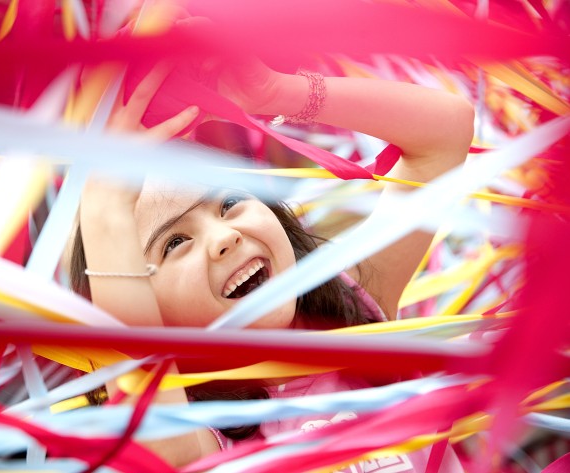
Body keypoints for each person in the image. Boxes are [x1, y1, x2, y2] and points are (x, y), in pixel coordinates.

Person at [68, 58, 474, 469]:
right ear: (140, 296)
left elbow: (446, 133)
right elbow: (157, 437)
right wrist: (104, 205)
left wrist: (275, 94)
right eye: (174, 242)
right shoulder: (198, 441)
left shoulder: (357, 316)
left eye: (229, 202)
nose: (224, 237)